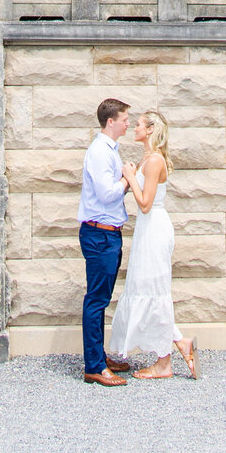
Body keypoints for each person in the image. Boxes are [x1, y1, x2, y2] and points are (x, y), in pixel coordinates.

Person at [108, 110, 198, 381]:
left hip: (155, 228)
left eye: (137, 125)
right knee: (144, 287)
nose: (133, 128)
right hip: (148, 230)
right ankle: (179, 345)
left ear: (149, 130)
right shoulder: (148, 158)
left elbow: (145, 205)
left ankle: (164, 363)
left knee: (155, 290)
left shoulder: (155, 159)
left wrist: (130, 176)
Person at [78, 97, 135, 387]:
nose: (129, 124)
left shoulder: (109, 150)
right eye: (125, 119)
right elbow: (107, 193)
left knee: (101, 299)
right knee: (97, 300)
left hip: (107, 233)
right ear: (110, 121)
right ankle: (95, 367)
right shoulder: (100, 152)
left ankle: (99, 357)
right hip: (99, 234)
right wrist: (128, 178)